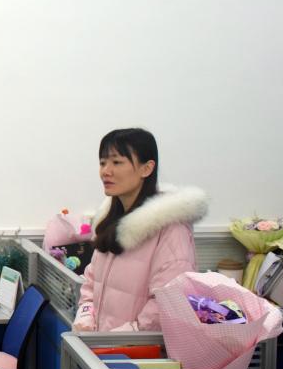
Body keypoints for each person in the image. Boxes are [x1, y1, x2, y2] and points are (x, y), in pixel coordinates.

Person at [73, 128, 207, 332]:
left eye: (117, 162)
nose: (106, 171)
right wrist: (86, 322)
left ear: (146, 168)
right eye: (102, 162)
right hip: (101, 346)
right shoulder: (110, 222)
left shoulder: (171, 229)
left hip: (137, 349)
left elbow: (167, 304)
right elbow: (91, 282)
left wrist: (117, 339)